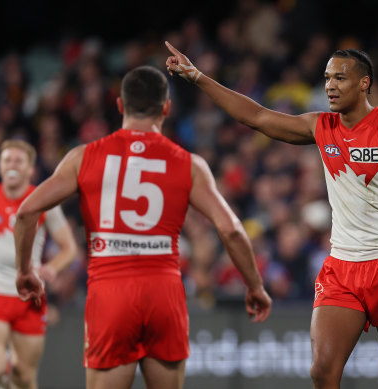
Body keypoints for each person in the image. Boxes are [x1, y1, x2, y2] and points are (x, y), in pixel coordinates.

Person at [166, 42, 378, 388]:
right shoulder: (320, 127)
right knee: (322, 372)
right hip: (342, 267)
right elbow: (257, 117)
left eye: (340, 78)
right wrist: (198, 76)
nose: (330, 86)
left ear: (364, 83)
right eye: (326, 78)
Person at [14, 65, 272, 389]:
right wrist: (255, 286)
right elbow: (231, 229)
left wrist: (26, 269)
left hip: (110, 292)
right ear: (166, 108)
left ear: (120, 106)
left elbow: (26, 212)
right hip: (164, 292)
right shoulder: (189, 164)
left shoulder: (83, 157)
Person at [0, 139, 77, 389]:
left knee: (25, 377)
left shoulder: (42, 200)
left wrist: (53, 268)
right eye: (7, 159)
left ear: (30, 169)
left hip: (30, 298)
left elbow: (70, 248)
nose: (12, 165)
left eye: (18, 160)